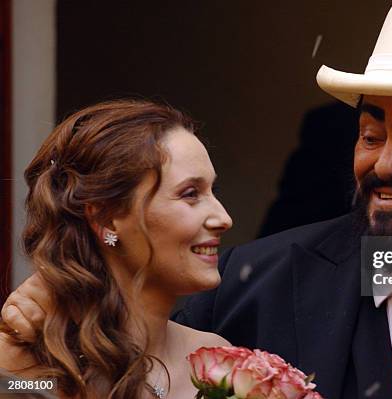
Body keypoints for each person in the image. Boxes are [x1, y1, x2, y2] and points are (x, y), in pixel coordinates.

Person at [5, 1, 392, 398]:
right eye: (370, 134)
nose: (385, 162)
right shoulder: (255, 284)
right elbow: (89, 378)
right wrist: (50, 320)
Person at [0, 100, 233, 397]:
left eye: (214, 191)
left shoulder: (216, 362)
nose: (224, 218)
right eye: (190, 194)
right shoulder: (22, 367)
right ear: (106, 218)